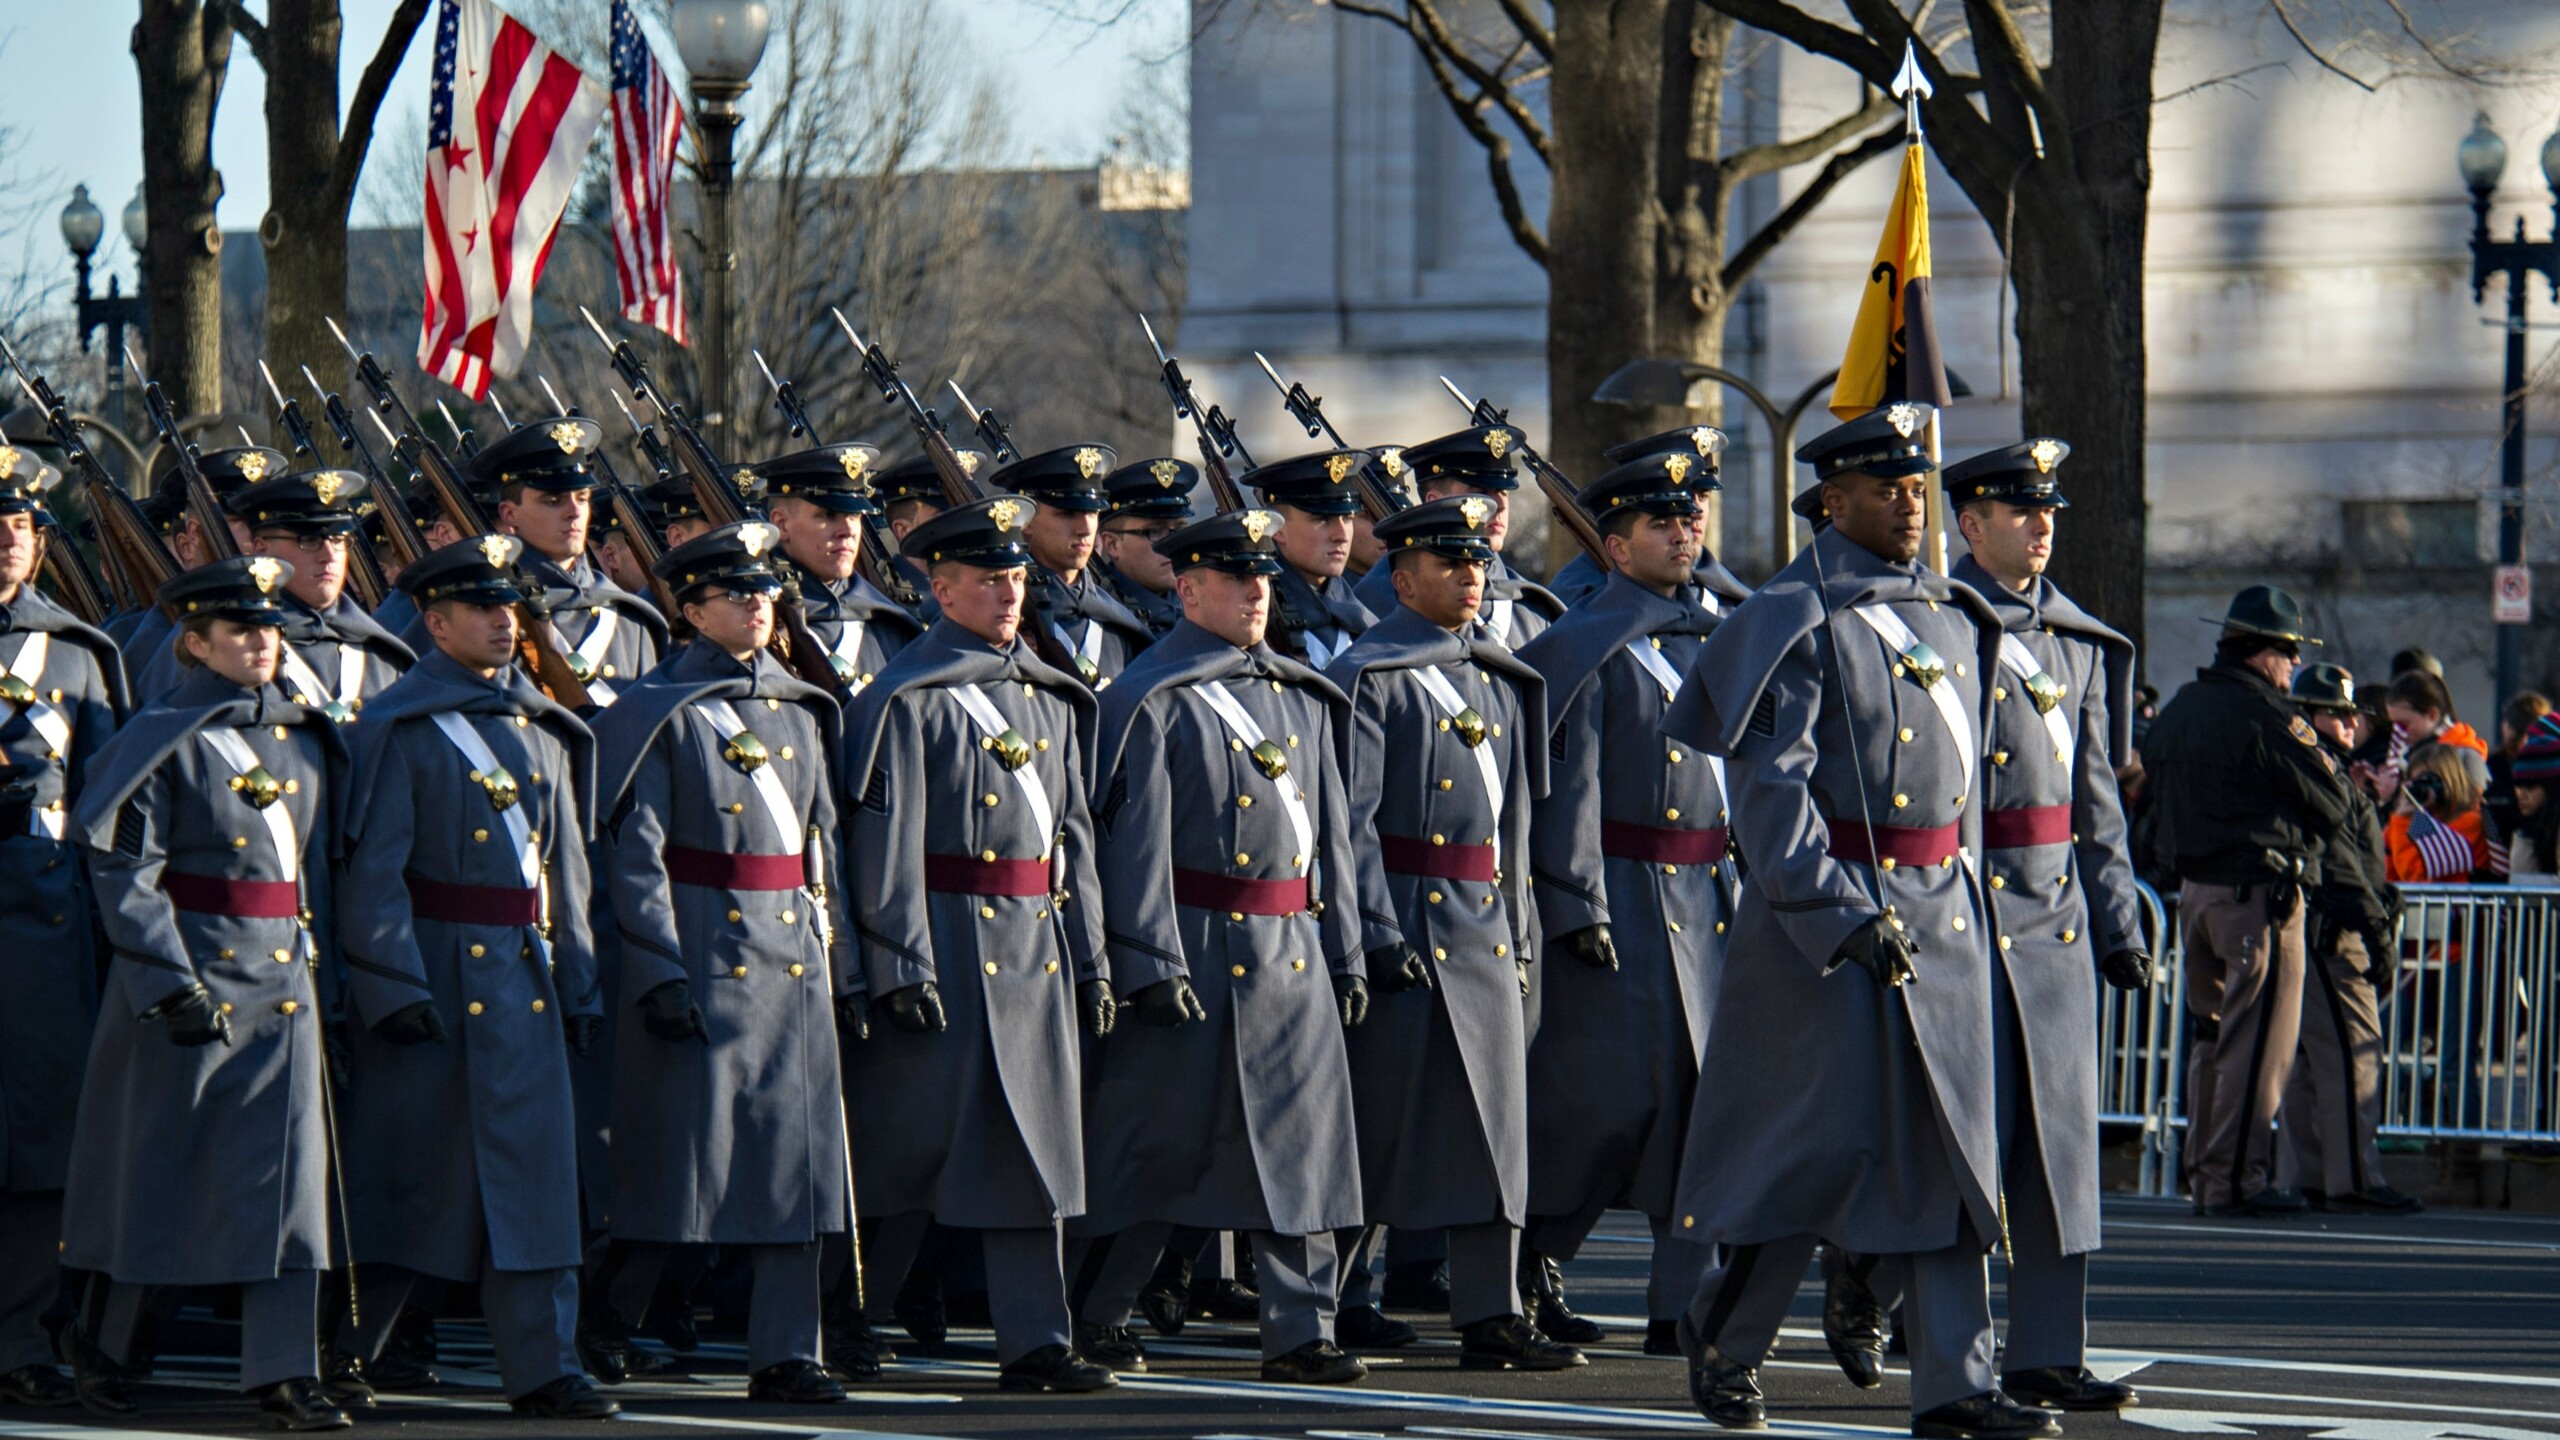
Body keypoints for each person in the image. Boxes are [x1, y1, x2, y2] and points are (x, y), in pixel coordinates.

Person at [1658, 403, 2029, 1439]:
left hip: (1942, 925)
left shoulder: (1956, 615)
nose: (1910, 506)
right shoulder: (1792, 620)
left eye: (1918, 488)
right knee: (1809, 1158)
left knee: (1950, 1155)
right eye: (1885, 490)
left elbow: (1965, 795)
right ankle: (1726, 1336)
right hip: (1824, 936)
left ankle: (1955, 1388)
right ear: (1833, 500)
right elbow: (1768, 796)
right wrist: (1836, 914)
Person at [1071, 507, 1370, 1385]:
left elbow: (1333, 844)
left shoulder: (1302, 694)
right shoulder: (1149, 698)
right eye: (1235, 581)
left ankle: (1301, 1331)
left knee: (1304, 1149)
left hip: (1293, 947)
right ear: (1189, 588)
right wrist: (1147, 963)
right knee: (1158, 1150)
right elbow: (1132, 849)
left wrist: (1345, 951)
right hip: (1197, 947)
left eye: (1262, 579)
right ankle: (1094, 1310)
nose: (1254, 594)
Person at [329, 536, 618, 1419]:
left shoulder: (543, 724)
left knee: (534, 1187)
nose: (503, 621)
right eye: (481, 609)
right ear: (436, 621)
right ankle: (337, 1351)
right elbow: (373, 874)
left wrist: (580, 985)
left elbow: (565, 873)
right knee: (408, 1184)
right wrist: (393, 987)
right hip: (436, 980)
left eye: (510, 607)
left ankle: (545, 1365)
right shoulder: (398, 726)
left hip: (524, 980)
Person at [59, 556, 348, 1430]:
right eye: (241, 631)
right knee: (157, 1177)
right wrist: (167, 983)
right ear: (196, 643)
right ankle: (105, 1345)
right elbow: (126, 870)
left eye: (270, 629)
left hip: (285, 983)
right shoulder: (162, 738)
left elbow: (320, 872)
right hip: (191, 984)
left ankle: (283, 1369)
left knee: (290, 1188)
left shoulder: (304, 735)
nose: (263, 642)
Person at [838, 495, 1118, 1393]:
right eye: (986, 579)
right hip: (948, 948)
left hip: (1034, 946)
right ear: (939, 588)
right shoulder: (906, 695)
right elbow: (886, 851)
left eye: (1014, 576)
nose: (1006, 593)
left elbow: (1072, 838)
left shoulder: (1048, 693)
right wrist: (900, 962)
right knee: (906, 1149)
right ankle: (844, 1312)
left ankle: (1037, 1340)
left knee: (1031, 1148)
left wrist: (1094, 957)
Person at [1900, 439, 2146, 1412]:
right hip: (1956, 912)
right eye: (2018, 511)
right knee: (1959, 1153)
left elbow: (2094, 805)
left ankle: (2046, 1351)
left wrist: (2119, 918)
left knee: (2055, 1151)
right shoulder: (1935, 626)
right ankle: (1906, 1319)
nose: (2041, 525)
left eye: (2048, 511)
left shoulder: (2077, 642)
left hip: (2050, 926)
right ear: (1969, 524)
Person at [588, 522, 855, 1403]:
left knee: (795, 1166)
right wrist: (660, 968)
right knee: (679, 1166)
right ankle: (612, 1312)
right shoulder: (659, 708)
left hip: (792, 959)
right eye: (732, 593)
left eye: (763, 590)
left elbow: (825, 851)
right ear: (691, 609)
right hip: (706, 951)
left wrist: (843, 966)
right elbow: (639, 854)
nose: (754, 603)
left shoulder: (802, 705)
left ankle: (787, 1352)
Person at [1325, 494, 1580, 1373]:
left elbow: (1512, 828)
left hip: (1486, 927)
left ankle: (1493, 1311)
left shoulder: (1501, 675)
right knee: (1383, 1124)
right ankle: (1336, 1297)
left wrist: (1521, 930)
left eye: (1476, 560)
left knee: (1494, 1131)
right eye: (1448, 563)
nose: (1471, 575)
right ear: (1402, 580)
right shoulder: (1372, 673)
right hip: (1406, 922)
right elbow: (1347, 824)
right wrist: (1374, 932)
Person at [1514, 448, 1731, 1356]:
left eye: (1689, 519)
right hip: (1623, 898)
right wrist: (1576, 903)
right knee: (1602, 1109)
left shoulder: (1718, 630)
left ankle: (1684, 1303)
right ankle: (1526, 1263)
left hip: (1710, 899)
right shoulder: (1584, 637)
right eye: (1660, 524)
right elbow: (1569, 785)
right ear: (1613, 545)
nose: (1684, 533)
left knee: (1706, 1106)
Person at [2146, 585, 2354, 1218]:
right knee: (2258, 1045)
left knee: (2211, 1041)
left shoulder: (2181, 707)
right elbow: (2334, 800)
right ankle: (2238, 1179)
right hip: (2256, 898)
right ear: (2263, 653)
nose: (2292, 667)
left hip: (2196, 897)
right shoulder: (2266, 716)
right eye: (2289, 654)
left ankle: (2207, 1177)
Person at [0, 450, 125, 1409]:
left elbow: (111, 806)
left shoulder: (78, 653)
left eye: (25, 526)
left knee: (41, 1147)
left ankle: (22, 1337)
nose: (11, 539)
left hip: (44, 930)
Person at [2281, 664, 2420, 1215]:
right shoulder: (2319, 773)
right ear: (2306, 717)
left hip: (2315, 929)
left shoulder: (2321, 770)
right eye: (2334, 713)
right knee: (2351, 1056)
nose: (2348, 723)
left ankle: (2311, 1175)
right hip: (2332, 933)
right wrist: (2376, 926)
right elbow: (2341, 865)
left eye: (2349, 715)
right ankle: (2354, 1177)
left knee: (2310, 1064)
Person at [465, 417, 667, 709]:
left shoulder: (631, 618)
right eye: (553, 500)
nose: (574, 511)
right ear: (509, 515)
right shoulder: (489, 610)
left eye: (582, 498)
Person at [189, 468, 411, 716]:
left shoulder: (382, 654)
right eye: (309, 540)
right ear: (262, 550)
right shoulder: (234, 653)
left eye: (338, 540)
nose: (329, 556)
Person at [1352, 427, 1561, 650]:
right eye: (1480, 493)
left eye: (1503, 492)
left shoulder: (1532, 608)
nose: (1498, 505)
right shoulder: (1374, 600)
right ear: (1434, 502)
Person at [759, 441, 924, 695]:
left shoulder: (891, 626)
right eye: (827, 515)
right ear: (781, 525)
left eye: (855, 516)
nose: (847, 530)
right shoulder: (759, 622)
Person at [994, 444, 1152, 689]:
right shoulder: (1000, 615)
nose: (1086, 528)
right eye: (1067, 513)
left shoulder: (1121, 625)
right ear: (1026, 523)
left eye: (1092, 513)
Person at [1547, 427, 1754, 613]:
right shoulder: (1578, 595)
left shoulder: (1732, 604)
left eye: (1704, 496)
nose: (1696, 510)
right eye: (1682, 501)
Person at [1247, 449, 1378, 668]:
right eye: (1322, 520)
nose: (1342, 535)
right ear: (1277, 529)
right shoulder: (1257, 620)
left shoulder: (1363, 622)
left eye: (1347, 518)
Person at [1091, 457, 1198, 637]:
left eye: (1179, 529)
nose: (1172, 544)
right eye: (1155, 532)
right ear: (1112, 545)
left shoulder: (1198, 608)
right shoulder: (1100, 621)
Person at [2383, 745, 2488, 883]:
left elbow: (2417, 875)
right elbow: (2387, 875)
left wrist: (2402, 822)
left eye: (2428, 780)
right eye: (2416, 782)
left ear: (2450, 780)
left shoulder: (2471, 821)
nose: (2422, 787)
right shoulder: (2417, 818)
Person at [2507, 713, 2560, 877]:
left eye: (2529, 787)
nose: (2520, 795)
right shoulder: (2529, 825)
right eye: (2518, 786)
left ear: (2551, 788)